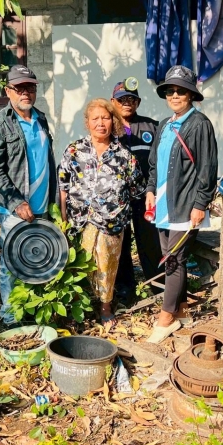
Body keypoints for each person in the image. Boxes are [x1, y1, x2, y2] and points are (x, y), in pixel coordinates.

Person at [144, 65, 218, 344]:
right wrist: (150, 190)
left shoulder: (200, 124)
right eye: (170, 91)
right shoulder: (164, 124)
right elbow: (154, 164)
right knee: (171, 257)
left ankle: (166, 319)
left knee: (173, 260)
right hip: (163, 204)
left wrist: (201, 203)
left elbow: (208, 168)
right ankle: (182, 309)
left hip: (186, 205)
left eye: (181, 91)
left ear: (191, 95)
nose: (175, 95)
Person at [59, 98, 145, 328]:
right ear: (87, 122)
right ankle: (80, 308)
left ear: (113, 122)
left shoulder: (124, 155)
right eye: (95, 118)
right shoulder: (74, 150)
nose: (100, 123)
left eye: (105, 118)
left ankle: (106, 307)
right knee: (80, 264)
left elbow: (136, 189)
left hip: (111, 223)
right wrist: (63, 220)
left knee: (107, 266)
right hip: (80, 220)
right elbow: (63, 186)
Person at [0, 65, 57, 327]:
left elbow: (47, 162)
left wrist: (54, 203)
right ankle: (11, 318)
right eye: (19, 88)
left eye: (30, 87)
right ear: (8, 91)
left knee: (39, 260)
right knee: (12, 264)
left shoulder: (41, 119)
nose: (25, 93)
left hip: (42, 206)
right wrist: (16, 203)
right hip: (14, 211)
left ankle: (37, 314)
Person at [110, 80, 163, 303]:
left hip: (145, 196)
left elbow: (159, 163)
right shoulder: (107, 128)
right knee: (121, 244)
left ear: (138, 102)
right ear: (113, 102)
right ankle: (125, 292)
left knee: (151, 242)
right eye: (121, 99)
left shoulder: (153, 127)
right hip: (117, 199)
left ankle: (158, 287)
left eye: (131, 99)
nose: (127, 103)